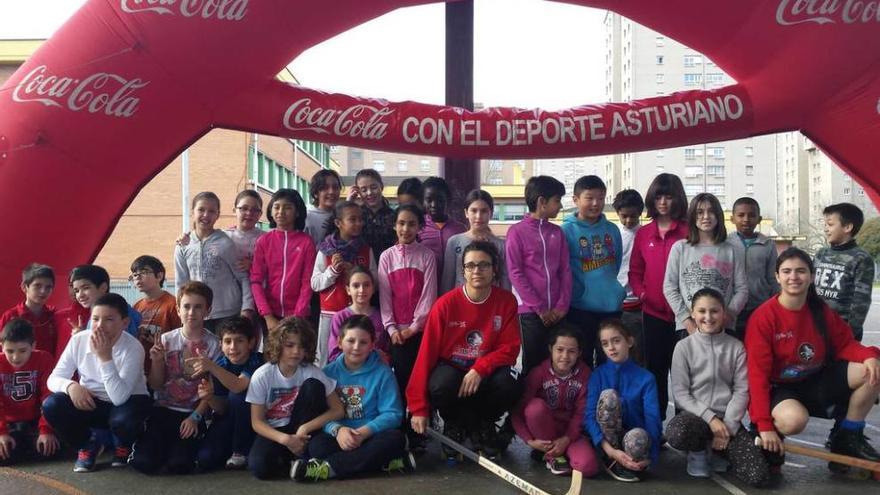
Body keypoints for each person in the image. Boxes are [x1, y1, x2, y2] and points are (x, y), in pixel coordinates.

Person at [746, 247, 880, 475]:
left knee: (872, 370)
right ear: (777, 277)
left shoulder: (820, 310)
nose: (793, 277)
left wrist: (870, 355)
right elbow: (756, 375)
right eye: (786, 271)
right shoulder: (764, 317)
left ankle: (848, 436)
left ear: (811, 276)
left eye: (801, 271)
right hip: (781, 389)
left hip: (815, 382)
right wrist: (764, 424)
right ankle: (767, 436)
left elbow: (845, 344)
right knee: (794, 421)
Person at [408, 242, 521, 461]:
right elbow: (425, 357)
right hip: (453, 369)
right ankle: (455, 423)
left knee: (510, 384)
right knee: (440, 385)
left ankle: (484, 424)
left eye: (483, 265)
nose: (477, 271)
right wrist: (418, 407)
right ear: (463, 271)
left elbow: (510, 348)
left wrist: (480, 368)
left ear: (494, 269)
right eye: (470, 266)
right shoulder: (445, 305)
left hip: (485, 371)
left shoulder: (506, 301)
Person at [666, 288, 769, 486]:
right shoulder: (683, 347)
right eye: (702, 311)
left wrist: (728, 426)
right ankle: (698, 452)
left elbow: (742, 390)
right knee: (676, 433)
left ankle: (718, 450)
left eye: (714, 311)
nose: (708, 317)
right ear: (693, 313)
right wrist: (710, 418)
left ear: (724, 313)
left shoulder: (736, 347)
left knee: (758, 476)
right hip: (696, 418)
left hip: (728, 420)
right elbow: (680, 393)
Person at [294, 315, 411, 482]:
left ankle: (329, 468)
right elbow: (323, 414)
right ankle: (384, 462)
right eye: (350, 341)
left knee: (395, 439)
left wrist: (363, 433)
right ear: (340, 342)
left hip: (371, 435)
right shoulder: (327, 372)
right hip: (339, 437)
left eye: (363, 342)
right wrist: (338, 430)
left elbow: (393, 414)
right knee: (316, 447)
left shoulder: (383, 373)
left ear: (372, 344)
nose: (356, 347)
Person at [43, 293, 151, 473]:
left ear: (124, 323)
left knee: (123, 421)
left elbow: (119, 397)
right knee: (52, 405)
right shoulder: (79, 340)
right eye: (95, 318)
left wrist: (105, 357)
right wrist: (71, 386)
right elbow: (53, 379)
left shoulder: (133, 347)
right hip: (92, 401)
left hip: (127, 401)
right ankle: (87, 444)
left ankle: (123, 442)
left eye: (109, 319)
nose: (100, 325)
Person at [131, 281, 221, 475]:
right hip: (162, 409)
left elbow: (210, 390)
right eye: (186, 306)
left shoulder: (214, 345)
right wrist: (156, 361)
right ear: (178, 310)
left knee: (180, 466)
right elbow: (155, 384)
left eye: (198, 307)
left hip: (191, 412)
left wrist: (196, 417)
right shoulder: (166, 340)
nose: (191, 312)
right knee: (143, 463)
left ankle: (178, 451)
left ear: (208, 310)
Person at [245, 317, 344, 480]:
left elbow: (338, 409)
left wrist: (305, 428)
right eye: (290, 345)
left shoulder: (312, 371)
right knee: (259, 467)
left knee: (313, 385)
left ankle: (300, 460)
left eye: (301, 346)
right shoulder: (262, 375)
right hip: (275, 431)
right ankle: (291, 461)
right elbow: (257, 422)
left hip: (304, 429)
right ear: (278, 345)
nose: (296, 351)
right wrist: (285, 439)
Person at [628, 173, 688, 420]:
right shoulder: (644, 233)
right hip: (653, 314)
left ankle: (686, 427)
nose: (663, 202)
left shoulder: (688, 230)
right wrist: (643, 294)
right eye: (658, 196)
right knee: (655, 371)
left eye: (669, 196)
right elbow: (635, 270)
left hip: (684, 316)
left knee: (685, 374)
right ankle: (655, 425)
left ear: (678, 199)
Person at [378, 204, 437, 451]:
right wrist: (391, 329)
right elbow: (384, 296)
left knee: (421, 380)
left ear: (419, 227)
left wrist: (414, 328)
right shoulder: (386, 257)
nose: (406, 228)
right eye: (401, 223)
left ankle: (420, 432)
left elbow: (429, 295)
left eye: (412, 224)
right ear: (394, 225)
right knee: (401, 381)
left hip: (420, 332)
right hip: (396, 334)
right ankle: (401, 429)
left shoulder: (427, 256)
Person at [506, 175, 572, 376]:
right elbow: (515, 273)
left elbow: (565, 270)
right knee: (534, 364)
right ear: (542, 202)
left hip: (558, 313)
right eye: (557, 200)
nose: (560, 206)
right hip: (530, 313)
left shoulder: (557, 232)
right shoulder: (516, 232)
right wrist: (541, 309)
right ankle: (528, 407)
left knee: (558, 363)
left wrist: (562, 306)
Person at [511, 325, 597, 477]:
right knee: (534, 408)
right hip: (545, 431)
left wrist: (567, 439)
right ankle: (553, 455)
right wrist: (529, 441)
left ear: (579, 353)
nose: (565, 356)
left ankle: (562, 453)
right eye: (560, 350)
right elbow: (517, 412)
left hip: (571, 434)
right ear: (551, 349)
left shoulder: (586, 374)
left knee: (587, 467)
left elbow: (581, 413)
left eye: (572, 351)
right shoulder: (538, 373)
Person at [584, 319, 660, 483]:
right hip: (607, 443)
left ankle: (629, 462)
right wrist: (610, 451)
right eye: (605, 343)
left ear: (630, 341)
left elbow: (653, 419)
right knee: (609, 396)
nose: (611, 347)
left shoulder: (646, 378)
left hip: (631, 437)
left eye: (616, 341)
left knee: (638, 437)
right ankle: (610, 459)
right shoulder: (597, 375)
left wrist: (651, 457)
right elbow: (589, 416)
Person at [664, 193, 748, 338]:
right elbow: (669, 287)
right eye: (699, 212)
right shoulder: (680, 248)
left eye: (711, 211)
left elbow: (742, 289)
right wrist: (687, 320)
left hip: (723, 327)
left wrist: (727, 316)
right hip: (688, 328)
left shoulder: (732, 249)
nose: (706, 216)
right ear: (692, 216)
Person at [562, 175, 624, 367]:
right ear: (576, 199)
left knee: (611, 360)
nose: (595, 203)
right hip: (580, 308)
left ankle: (610, 397)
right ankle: (586, 398)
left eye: (600, 198)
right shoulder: (565, 231)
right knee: (583, 360)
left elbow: (616, 263)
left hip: (611, 308)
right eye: (589, 198)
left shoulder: (612, 230)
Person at [175, 191, 254, 333]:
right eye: (201, 210)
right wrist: (182, 311)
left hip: (227, 313)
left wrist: (247, 308)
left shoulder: (225, 243)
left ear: (217, 215)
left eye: (211, 211)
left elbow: (242, 277)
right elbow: (181, 283)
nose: (206, 215)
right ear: (193, 212)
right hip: (197, 314)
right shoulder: (183, 245)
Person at [192, 316, 263, 470]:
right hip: (228, 419)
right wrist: (209, 398)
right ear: (221, 345)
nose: (233, 347)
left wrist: (212, 367)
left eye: (239, 341)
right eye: (228, 341)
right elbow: (221, 408)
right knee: (205, 459)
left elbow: (238, 386)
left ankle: (241, 451)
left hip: (254, 421)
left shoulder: (257, 361)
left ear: (251, 343)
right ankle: (229, 450)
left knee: (237, 396)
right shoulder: (220, 364)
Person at [311, 201, 376, 366]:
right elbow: (315, 284)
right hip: (330, 313)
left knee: (359, 359)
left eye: (360, 219)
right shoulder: (325, 250)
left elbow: (376, 281)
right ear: (338, 223)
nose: (358, 223)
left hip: (359, 314)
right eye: (352, 219)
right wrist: (333, 271)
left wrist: (355, 272)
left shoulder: (366, 249)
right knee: (326, 360)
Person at [250, 188, 316, 331]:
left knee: (296, 353)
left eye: (287, 207)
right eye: (276, 206)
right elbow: (256, 281)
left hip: (299, 316)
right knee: (272, 353)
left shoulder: (306, 242)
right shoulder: (263, 241)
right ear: (271, 210)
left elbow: (307, 282)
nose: (281, 212)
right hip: (270, 315)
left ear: (297, 212)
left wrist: (298, 316)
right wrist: (267, 315)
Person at [0, 319, 59, 464]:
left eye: (22, 351)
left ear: (33, 346)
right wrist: (1, 432)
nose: (15, 357)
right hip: (8, 422)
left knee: (51, 450)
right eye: (10, 351)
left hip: (35, 421)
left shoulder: (44, 359)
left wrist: (46, 430)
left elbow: (48, 395)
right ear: (1, 347)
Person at [813, 202, 874, 342]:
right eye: (825, 225)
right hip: (816, 327)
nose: (825, 229)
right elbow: (810, 288)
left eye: (830, 224)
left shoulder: (861, 258)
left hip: (843, 331)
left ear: (847, 227)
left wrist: (849, 334)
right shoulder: (821, 253)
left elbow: (861, 302)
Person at [727, 197, 778, 341]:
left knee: (756, 344)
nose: (746, 219)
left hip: (759, 306)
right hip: (731, 307)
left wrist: (776, 303)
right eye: (741, 215)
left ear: (759, 219)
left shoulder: (768, 245)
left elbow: (773, 278)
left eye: (751, 215)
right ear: (732, 218)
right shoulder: (725, 243)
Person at [441, 189, 509, 295]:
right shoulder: (454, 242)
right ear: (466, 213)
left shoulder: (501, 245)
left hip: (491, 303)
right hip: (460, 303)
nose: (478, 216)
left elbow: (505, 281)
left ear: (491, 213)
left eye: (484, 211)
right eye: (474, 210)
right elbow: (447, 280)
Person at [130, 255, 182, 373]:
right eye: (134, 274)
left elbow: (180, 339)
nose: (137, 278)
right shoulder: (136, 306)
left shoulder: (173, 304)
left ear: (159, 276)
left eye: (143, 272)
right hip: (141, 368)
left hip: (166, 368)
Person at [327, 267, 387, 363]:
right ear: (348, 290)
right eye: (356, 286)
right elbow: (333, 354)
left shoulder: (382, 317)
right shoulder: (339, 317)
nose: (362, 290)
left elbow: (386, 351)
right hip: (346, 372)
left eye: (366, 285)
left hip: (374, 371)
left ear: (373, 288)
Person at [613, 189, 645, 364]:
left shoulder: (646, 234)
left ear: (641, 213)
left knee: (639, 352)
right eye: (624, 216)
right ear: (617, 213)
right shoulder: (614, 234)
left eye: (633, 216)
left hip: (641, 304)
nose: (628, 220)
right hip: (618, 303)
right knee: (617, 352)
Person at [0, 263, 56, 359]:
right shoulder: (10, 316)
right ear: (24, 287)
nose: (43, 291)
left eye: (48, 287)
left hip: (48, 371)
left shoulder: (54, 315)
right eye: (38, 286)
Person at [420, 176, 466, 280]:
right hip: (425, 286)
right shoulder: (417, 227)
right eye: (429, 200)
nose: (434, 205)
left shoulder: (460, 229)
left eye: (440, 200)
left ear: (448, 200)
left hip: (453, 286)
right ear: (422, 201)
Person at [350, 169, 396, 265]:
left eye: (374, 187)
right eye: (364, 190)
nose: (369, 193)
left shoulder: (394, 216)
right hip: (362, 269)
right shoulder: (355, 215)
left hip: (390, 267)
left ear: (381, 187)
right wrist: (348, 203)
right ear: (358, 192)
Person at [305, 169, 343, 245]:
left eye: (335, 187)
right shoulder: (307, 217)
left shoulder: (343, 216)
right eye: (325, 188)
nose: (331, 192)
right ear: (316, 193)